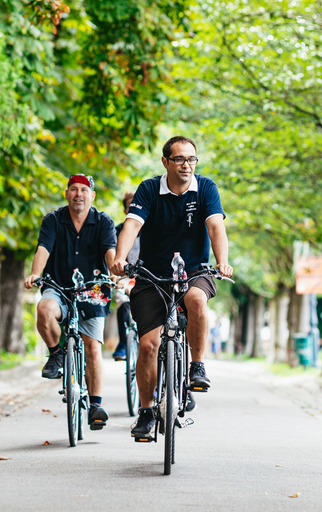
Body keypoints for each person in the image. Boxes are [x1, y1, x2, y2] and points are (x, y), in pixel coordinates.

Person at [110, 136, 233, 437]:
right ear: (166, 162)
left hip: (195, 270)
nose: (186, 165)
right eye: (179, 159)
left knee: (196, 300)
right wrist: (120, 257)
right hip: (153, 274)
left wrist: (223, 261)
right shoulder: (150, 189)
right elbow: (132, 225)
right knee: (148, 346)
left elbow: (216, 225)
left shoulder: (206, 188)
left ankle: (198, 366)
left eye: (191, 159)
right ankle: (147, 411)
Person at [24, 174, 116, 430]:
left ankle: (96, 405)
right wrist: (35, 273)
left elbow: (110, 252)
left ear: (92, 196)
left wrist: (116, 274)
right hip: (58, 286)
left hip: (93, 289)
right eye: (74, 189)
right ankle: (56, 356)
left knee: (92, 348)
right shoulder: (53, 220)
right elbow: (43, 248)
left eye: (84, 190)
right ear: (66, 194)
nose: (79, 194)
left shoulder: (104, 221)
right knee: (44, 309)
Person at [112, 192, 140, 362]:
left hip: (147, 275)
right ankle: (123, 343)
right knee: (121, 299)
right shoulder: (117, 231)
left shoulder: (150, 228)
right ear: (125, 210)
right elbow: (111, 255)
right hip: (125, 275)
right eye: (129, 206)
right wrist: (113, 276)